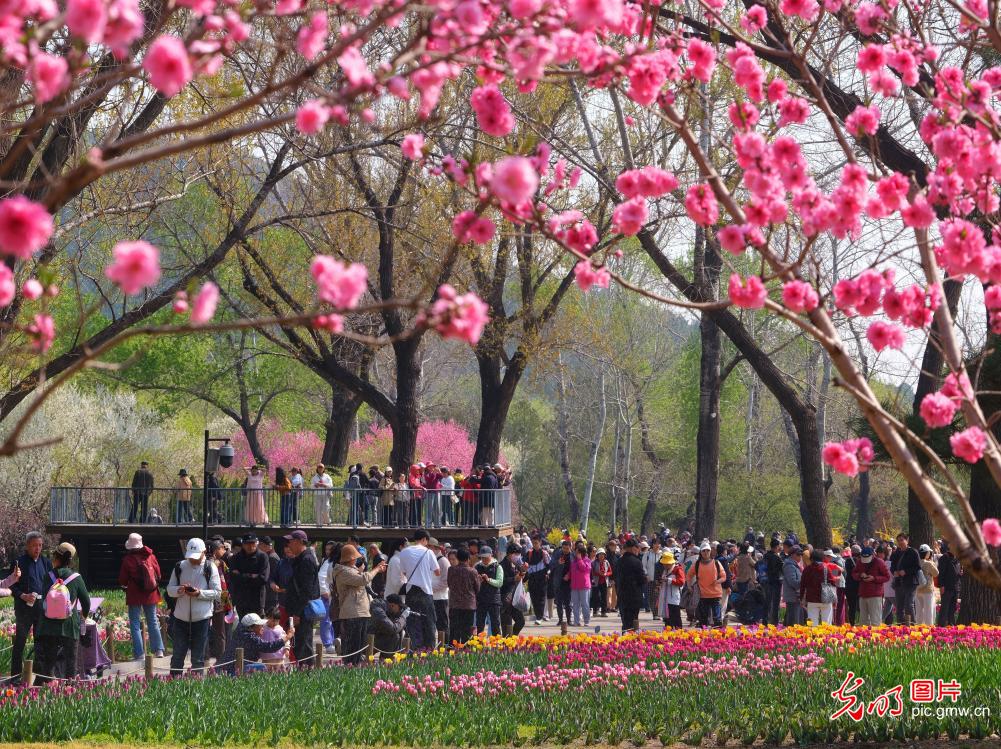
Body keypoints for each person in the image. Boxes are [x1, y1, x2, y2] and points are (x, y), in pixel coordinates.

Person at [35, 543, 90, 683]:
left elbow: (44, 601)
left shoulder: (48, 576)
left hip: (49, 625)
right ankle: (69, 690)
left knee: (49, 662)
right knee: (71, 662)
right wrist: (83, 617)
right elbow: (86, 602)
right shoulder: (76, 577)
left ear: (56, 557)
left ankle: (47, 688)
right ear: (71, 560)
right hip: (69, 625)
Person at [167, 538, 221, 676]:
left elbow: (217, 592)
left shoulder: (210, 567)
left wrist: (199, 593)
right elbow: (169, 589)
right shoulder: (180, 566)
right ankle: (172, 685)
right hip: (180, 618)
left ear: (203, 552)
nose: (193, 560)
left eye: (196, 557)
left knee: (198, 658)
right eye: (190, 557)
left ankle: (197, 687)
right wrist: (179, 590)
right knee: (177, 657)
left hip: (202, 619)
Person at [332, 543, 386, 665]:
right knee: (353, 647)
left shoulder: (351, 570)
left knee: (360, 646)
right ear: (351, 559)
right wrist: (377, 568)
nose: (357, 559)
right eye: (355, 557)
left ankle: (355, 666)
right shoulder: (342, 571)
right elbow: (363, 579)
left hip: (360, 613)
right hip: (352, 614)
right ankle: (350, 667)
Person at [10, 531, 53, 681]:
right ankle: (15, 677)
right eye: (34, 545)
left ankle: (40, 677)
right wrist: (23, 595)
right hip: (24, 607)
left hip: (41, 607)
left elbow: (52, 584)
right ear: (28, 546)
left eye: (40, 545)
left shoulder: (47, 563)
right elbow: (12, 587)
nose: (37, 548)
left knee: (40, 642)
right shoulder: (19, 563)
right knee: (20, 642)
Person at [118, 533, 166, 660]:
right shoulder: (151, 557)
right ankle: (159, 650)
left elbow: (122, 580)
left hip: (134, 594)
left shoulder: (128, 560)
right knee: (153, 621)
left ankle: (140, 654)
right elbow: (159, 575)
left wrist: (126, 586)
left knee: (134, 623)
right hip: (151, 594)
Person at [397, 530, 440, 649]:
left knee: (413, 622)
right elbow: (437, 572)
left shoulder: (404, 552)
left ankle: (416, 650)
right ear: (424, 539)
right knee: (429, 622)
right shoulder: (429, 552)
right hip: (426, 591)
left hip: (411, 591)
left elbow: (404, 572)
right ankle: (430, 650)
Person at [283, 530, 320, 668]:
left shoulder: (306, 560)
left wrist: (298, 613)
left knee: (304, 644)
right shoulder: (299, 559)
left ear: (299, 542)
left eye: (291, 541)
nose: (288, 544)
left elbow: (307, 590)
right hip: (297, 610)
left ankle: (307, 673)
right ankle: (302, 671)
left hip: (303, 611)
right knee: (298, 645)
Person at [220, 612, 293, 674]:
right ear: (251, 627)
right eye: (260, 625)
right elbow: (269, 647)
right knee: (262, 667)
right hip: (231, 671)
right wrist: (288, 637)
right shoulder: (249, 637)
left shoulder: (240, 632)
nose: (262, 627)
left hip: (226, 668)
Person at [228, 533, 270, 617]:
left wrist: (242, 576)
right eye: (247, 544)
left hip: (257, 601)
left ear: (257, 543)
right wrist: (252, 576)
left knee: (256, 628)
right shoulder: (235, 558)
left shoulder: (262, 557)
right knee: (242, 627)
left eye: (252, 543)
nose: (250, 546)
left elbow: (263, 579)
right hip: (241, 600)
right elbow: (233, 578)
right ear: (243, 544)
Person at [688, 541, 725, 628]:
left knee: (717, 619)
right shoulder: (697, 564)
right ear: (700, 552)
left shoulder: (716, 563)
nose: (706, 553)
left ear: (710, 551)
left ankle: (718, 636)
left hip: (716, 594)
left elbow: (724, 576)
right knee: (703, 621)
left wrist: (717, 581)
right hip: (703, 595)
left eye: (707, 550)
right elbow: (689, 575)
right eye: (703, 551)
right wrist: (689, 586)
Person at [800, 549, 841, 626]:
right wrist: (835, 599)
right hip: (826, 598)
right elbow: (832, 583)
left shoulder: (807, 569)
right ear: (822, 558)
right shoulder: (826, 568)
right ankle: (826, 637)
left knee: (811, 622)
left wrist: (801, 598)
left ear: (811, 558)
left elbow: (802, 585)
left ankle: (812, 636)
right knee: (827, 622)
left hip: (811, 598)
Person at [447, 548, 480, 644]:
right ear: (468, 559)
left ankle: (452, 651)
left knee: (454, 630)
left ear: (457, 558)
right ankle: (466, 652)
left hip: (454, 604)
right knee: (467, 632)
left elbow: (449, 584)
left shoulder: (451, 570)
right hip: (468, 605)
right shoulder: (472, 571)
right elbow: (477, 588)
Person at [852, 546, 889, 626]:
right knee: (863, 621)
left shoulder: (879, 562)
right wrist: (860, 575)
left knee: (875, 621)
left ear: (873, 555)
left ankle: (876, 637)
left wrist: (874, 578)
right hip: (863, 594)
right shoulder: (859, 562)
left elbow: (887, 577)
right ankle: (864, 637)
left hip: (875, 595)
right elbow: (854, 574)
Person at [617, 538, 647, 632]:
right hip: (634, 596)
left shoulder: (619, 561)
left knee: (625, 621)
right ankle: (632, 643)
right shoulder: (637, 562)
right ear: (633, 548)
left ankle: (624, 641)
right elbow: (642, 579)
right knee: (633, 622)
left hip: (622, 595)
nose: (638, 550)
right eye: (637, 548)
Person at [890, 533, 920, 625]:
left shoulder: (913, 552)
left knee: (909, 604)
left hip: (910, 582)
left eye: (902, 540)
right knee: (900, 606)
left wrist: (906, 571)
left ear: (907, 541)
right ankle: (900, 626)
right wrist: (894, 572)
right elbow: (892, 566)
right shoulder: (896, 553)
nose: (900, 542)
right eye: (898, 540)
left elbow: (917, 567)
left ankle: (912, 624)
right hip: (899, 582)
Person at [475, 546, 503, 635]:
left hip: (494, 599)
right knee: (479, 624)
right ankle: (479, 645)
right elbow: (473, 584)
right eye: (482, 557)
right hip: (481, 599)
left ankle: (497, 645)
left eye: (486, 557)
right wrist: (478, 581)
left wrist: (488, 580)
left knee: (495, 624)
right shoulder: (477, 566)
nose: (484, 559)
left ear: (491, 555)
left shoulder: (498, 566)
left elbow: (499, 583)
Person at [500, 544, 527, 635]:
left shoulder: (517, 564)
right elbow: (501, 582)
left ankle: (512, 639)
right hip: (505, 600)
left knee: (521, 621)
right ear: (510, 554)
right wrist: (513, 579)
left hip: (515, 600)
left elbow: (523, 579)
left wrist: (524, 571)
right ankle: (506, 645)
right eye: (516, 554)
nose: (518, 557)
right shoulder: (501, 565)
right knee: (507, 627)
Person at [318, 541, 338, 653]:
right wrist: (325, 591)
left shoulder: (331, 561)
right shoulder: (328, 561)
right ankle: (328, 644)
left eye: (330, 549)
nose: (328, 552)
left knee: (329, 620)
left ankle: (331, 642)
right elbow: (321, 576)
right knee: (326, 620)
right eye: (326, 549)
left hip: (330, 594)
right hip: (326, 595)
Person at [524, 535, 549, 625]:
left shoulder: (544, 554)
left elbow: (549, 566)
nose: (534, 545)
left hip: (542, 580)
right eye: (533, 543)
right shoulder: (529, 553)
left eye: (536, 543)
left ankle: (539, 617)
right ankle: (538, 615)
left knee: (541, 599)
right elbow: (525, 565)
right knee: (534, 599)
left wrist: (547, 573)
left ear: (540, 543)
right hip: (532, 580)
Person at [657, 552, 686, 629]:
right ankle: (668, 634)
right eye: (664, 563)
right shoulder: (665, 570)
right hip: (666, 599)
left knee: (676, 618)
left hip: (673, 599)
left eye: (666, 563)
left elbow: (681, 582)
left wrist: (669, 580)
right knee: (667, 619)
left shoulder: (678, 569)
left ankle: (679, 633)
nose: (665, 565)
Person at [936, 541, 961, 626]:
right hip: (946, 587)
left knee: (953, 608)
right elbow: (941, 573)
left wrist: (960, 573)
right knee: (944, 608)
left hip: (955, 587)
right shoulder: (944, 558)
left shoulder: (957, 558)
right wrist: (941, 586)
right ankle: (941, 626)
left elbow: (958, 572)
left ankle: (951, 625)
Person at [431, 538, 450, 645]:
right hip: (432, 597)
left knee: (442, 625)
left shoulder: (443, 561)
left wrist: (430, 589)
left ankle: (444, 647)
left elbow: (445, 582)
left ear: (434, 548)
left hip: (441, 598)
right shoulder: (431, 560)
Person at [916, 544, 939, 626]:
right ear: (927, 553)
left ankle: (919, 626)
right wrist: (932, 562)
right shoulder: (928, 563)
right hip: (928, 589)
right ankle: (929, 627)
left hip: (918, 589)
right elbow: (936, 573)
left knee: (919, 611)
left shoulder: (917, 562)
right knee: (928, 610)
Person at [762, 539, 784, 625]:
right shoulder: (776, 557)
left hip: (766, 581)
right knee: (775, 603)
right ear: (777, 546)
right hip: (775, 582)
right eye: (780, 545)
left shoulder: (766, 555)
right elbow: (781, 569)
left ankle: (765, 621)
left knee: (767, 601)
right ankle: (774, 622)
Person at [782, 545, 804, 626]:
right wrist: (804, 581)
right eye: (798, 554)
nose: (800, 556)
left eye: (801, 554)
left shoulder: (794, 565)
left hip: (796, 597)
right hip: (792, 597)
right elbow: (793, 582)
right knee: (793, 623)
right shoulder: (789, 566)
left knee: (797, 621)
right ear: (792, 555)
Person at [260, 537, 281, 612]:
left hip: (271, 593)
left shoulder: (272, 557)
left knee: (270, 615)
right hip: (269, 593)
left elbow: (274, 576)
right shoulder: (269, 555)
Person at [592, 549, 612, 617]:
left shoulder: (606, 562)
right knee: (596, 597)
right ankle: (595, 611)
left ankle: (603, 612)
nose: (601, 556)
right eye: (600, 554)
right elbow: (592, 572)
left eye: (603, 554)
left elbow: (610, 571)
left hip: (604, 582)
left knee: (604, 597)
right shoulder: (594, 562)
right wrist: (598, 573)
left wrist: (606, 574)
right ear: (597, 555)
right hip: (596, 582)